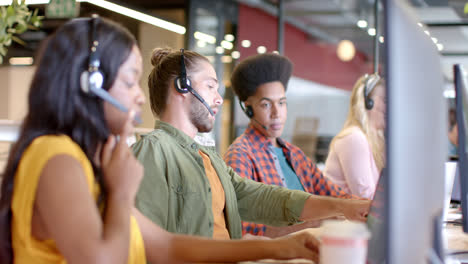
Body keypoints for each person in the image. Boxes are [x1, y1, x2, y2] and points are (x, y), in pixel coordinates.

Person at [0, 17, 325, 264]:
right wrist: (122, 192)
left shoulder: (91, 161)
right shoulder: (57, 157)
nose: (140, 96)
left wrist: (280, 247)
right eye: (129, 81)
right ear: (91, 83)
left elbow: (165, 244)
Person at [132, 48, 370, 241]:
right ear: (183, 86)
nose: (217, 98)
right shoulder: (154, 150)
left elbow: (262, 197)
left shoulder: (209, 157)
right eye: (210, 86)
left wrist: (343, 206)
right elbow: (144, 244)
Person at [224, 53, 354, 238]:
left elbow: (336, 196)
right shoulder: (240, 155)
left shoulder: (293, 154)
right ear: (248, 108)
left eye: (282, 103)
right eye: (266, 105)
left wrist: (363, 206)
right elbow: (241, 229)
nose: (277, 113)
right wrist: (316, 222)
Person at [323, 73, 386, 199]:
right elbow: (366, 197)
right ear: (368, 103)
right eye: (385, 100)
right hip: (343, 218)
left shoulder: (376, 140)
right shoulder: (354, 138)